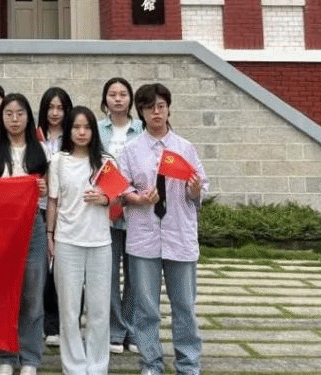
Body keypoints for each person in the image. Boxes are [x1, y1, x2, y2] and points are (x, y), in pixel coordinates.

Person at [118, 83, 207, 375]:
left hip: (179, 236)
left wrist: (195, 189)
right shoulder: (131, 150)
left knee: (184, 307)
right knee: (146, 309)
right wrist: (138, 198)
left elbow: (199, 192)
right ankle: (151, 363)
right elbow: (121, 189)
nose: (156, 112)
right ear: (141, 112)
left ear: (168, 108)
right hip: (144, 237)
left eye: (161, 106)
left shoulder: (185, 148)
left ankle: (188, 364)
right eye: (149, 108)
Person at [0, 94, 49, 375]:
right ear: (1, 118)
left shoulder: (40, 150)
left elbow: (48, 193)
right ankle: (5, 358)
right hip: (1, 229)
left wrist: (42, 190)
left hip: (33, 226)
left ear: (28, 117)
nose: (14, 119)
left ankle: (30, 358)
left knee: (33, 294)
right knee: (4, 295)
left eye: (20, 113)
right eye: (8, 113)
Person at [46, 106, 113, 375]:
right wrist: (50, 236)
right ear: (69, 130)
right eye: (76, 127)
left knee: (99, 311)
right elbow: (52, 202)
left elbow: (118, 201)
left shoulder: (106, 162)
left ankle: (97, 366)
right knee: (69, 310)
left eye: (87, 127)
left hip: (100, 242)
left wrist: (105, 199)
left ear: (94, 131)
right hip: (67, 241)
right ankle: (74, 367)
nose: (82, 132)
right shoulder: (59, 161)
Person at [96, 77, 142, 355]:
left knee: (136, 275)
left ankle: (133, 329)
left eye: (123, 94)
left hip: (136, 211)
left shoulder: (142, 129)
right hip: (107, 212)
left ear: (130, 99)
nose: (117, 99)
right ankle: (115, 329)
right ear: (105, 99)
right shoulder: (96, 129)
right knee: (110, 275)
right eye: (112, 94)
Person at [36, 86, 72, 348]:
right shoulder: (35, 137)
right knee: (40, 269)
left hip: (67, 209)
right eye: (51, 107)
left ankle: (58, 322)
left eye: (60, 108)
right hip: (39, 207)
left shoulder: (74, 137)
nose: (55, 113)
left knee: (62, 269)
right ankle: (39, 322)